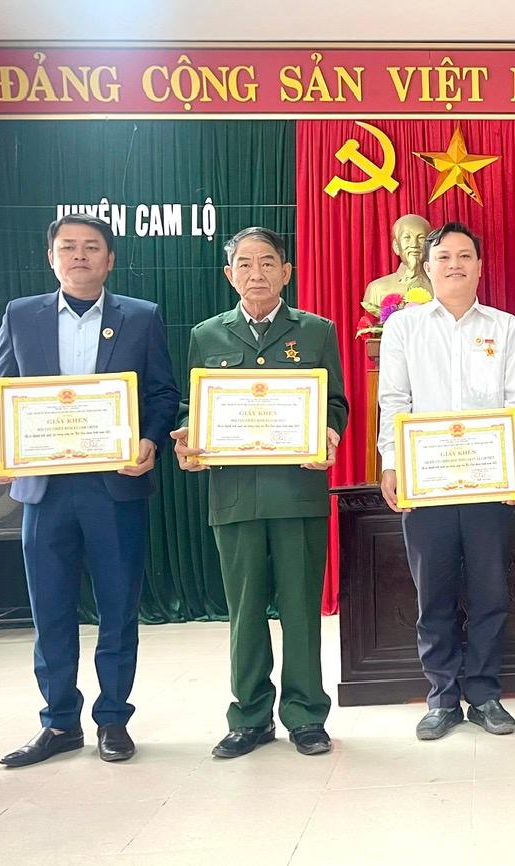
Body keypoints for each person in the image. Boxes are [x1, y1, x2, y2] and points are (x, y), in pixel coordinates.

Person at [0, 214, 179, 767]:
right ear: (52, 258)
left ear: (110, 260)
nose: (80, 256)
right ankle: (59, 722)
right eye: (68, 247)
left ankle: (113, 718)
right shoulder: (21, 315)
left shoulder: (141, 316)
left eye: (92, 247)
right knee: (50, 610)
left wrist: (150, 440)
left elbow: (163, 394)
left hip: (115, 488)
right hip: (45, 490)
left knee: (118, 609)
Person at [170, 226, 348, 756]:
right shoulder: (207, 335)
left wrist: (329, 432)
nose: (256, 273)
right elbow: (193, 405)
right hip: (234, 494)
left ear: (286, 272)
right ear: (229, 275)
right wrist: (188, 435)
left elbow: (334, 402)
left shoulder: (316, 331)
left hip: (297, 491)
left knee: (301, 610)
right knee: (244, 611)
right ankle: (249, 717)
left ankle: (306, 715)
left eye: (267, 262)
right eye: (244, 264)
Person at [378, 222, 515, 740]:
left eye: (464, 256)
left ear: (479, 266)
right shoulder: (404, 328)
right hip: (426, 483)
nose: (454, 265)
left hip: (491, 481)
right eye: (443, 256)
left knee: (491, 592)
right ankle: (442, 697)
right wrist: (391, 462)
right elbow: (394, 401)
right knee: (435, 594)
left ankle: (486, 694)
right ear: (427, 267)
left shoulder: (505, 327)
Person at [363, 214, 433, 311]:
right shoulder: (376, 289)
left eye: (421, 238)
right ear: (396, 246)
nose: (414, 244)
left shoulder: (440, 287)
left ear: (429, 246)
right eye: (407, 238)